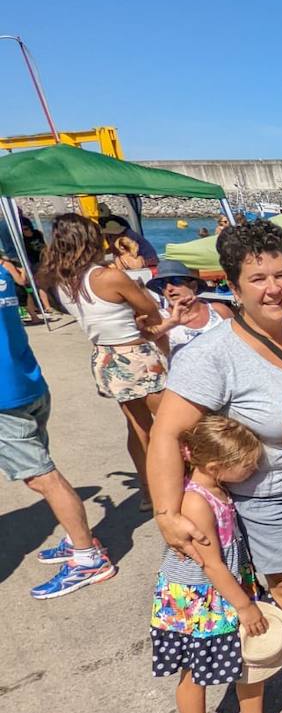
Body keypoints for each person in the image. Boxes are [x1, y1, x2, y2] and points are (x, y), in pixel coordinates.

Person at [149, 220, 282, 713]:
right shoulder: (213, 355)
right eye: (257, 279)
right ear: (232, 288)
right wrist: (167, 512)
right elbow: (166, 434)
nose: (273, 288)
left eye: (281, 274)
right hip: (268, 487)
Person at [151, 414, 282, 713]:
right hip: (200, 598)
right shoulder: (196, 503)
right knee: (195, 669)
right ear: (216, 467)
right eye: (246, 466)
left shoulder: (220, 488)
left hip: (233, 587)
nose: (252, 470)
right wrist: (245, 605)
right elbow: (211, 565)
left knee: (252, 659)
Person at [1, 252, 116, 598]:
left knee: (42, 478)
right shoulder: (4, 270)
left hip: (6, 400)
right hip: (28, 384)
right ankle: (76, 537)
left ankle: (87, 557)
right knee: (45, 470)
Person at [39, 214, 167, 502]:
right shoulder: (108, 276)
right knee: (172, 422)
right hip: (135, 355)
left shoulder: (64, 282)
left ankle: (149, 492)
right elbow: (151, 310)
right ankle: (177, 485)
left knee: (138, 427)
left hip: (105, 356)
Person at [145, 260, 233, 358]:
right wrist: (172, 322)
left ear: (193, 286)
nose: (169, 288)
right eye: (162, 284)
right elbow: (144, 338)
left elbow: (239, 342)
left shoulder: (219, 310)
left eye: (175, 281)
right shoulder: (160, 318)